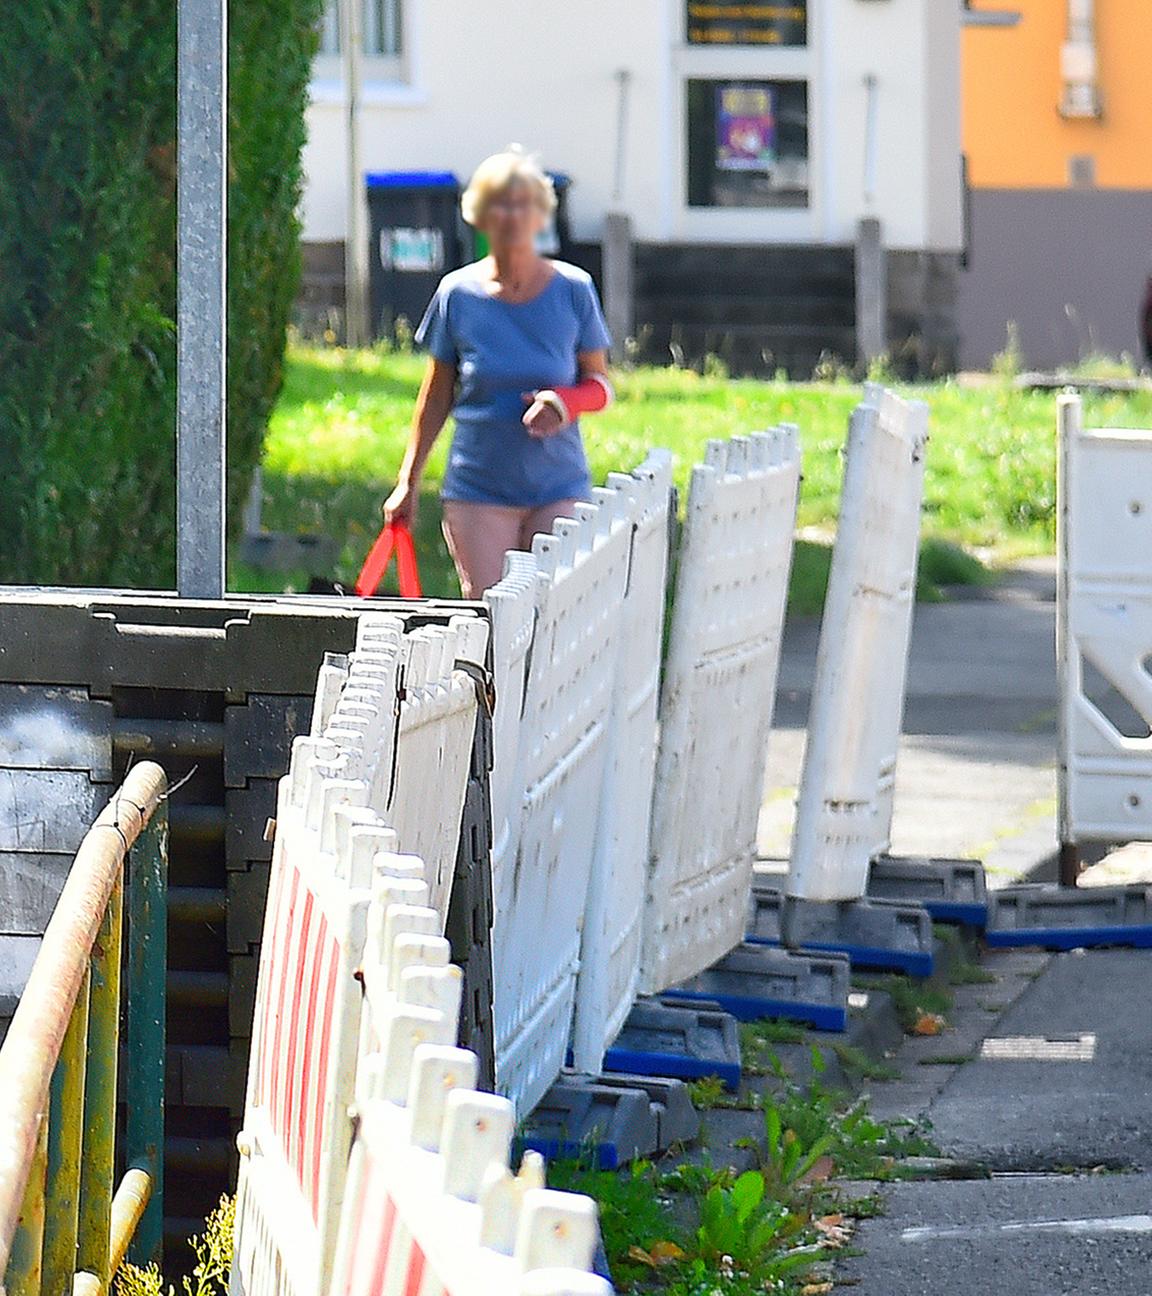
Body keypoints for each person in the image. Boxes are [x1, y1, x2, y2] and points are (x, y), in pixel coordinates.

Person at [383, 149, 614, 598]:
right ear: (480, 215)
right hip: (479, 489)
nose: (512, 215)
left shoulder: (573, 289)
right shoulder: (458, 294)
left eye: (523, 203)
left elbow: (601, 387)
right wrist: (407, 483)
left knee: (556, 612)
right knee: (490, 614)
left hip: (558, 486)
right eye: (500, 204)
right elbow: (435, 395)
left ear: (541, 214)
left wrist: (563, 402)